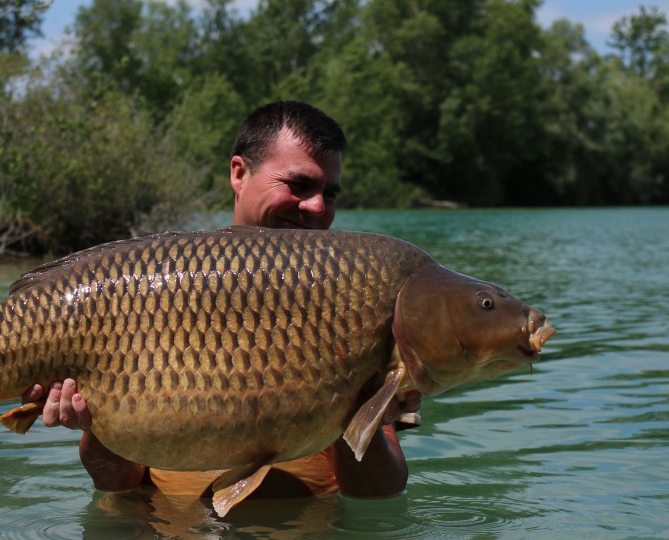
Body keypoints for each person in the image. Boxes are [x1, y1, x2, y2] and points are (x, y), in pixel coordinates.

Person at [22, 100, 421, 501]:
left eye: (329, 193)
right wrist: (93, 424)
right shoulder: (160, 285)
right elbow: (116, 483)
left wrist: (355, 410)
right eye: (299, 185)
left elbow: (377, 493)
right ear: (239, 173)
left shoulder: (355, 293)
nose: (317, 206)